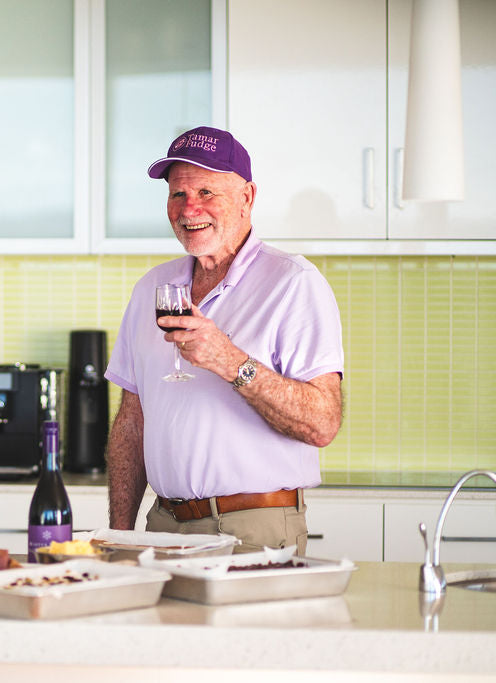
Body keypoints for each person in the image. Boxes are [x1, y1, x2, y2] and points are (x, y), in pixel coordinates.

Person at [104, 126, 344, 554]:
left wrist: (230, 361)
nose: (189, 208)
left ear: (247, 197)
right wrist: (120, 534)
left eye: (206, 192)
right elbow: (131, 422)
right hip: (162, 526)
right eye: (178, 194)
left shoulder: (293, 282)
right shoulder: (152, 289)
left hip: (254, 529)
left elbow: (323, 422)